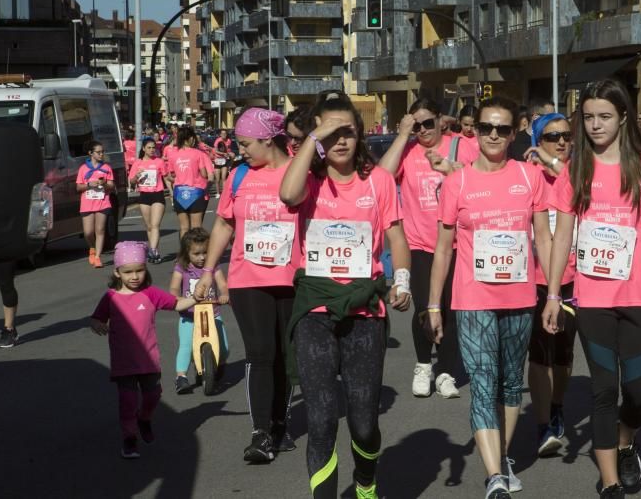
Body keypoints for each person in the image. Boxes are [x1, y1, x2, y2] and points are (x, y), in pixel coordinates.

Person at [541, 79, 641, 498]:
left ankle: (625, 440)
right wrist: (551, 294)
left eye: (604, 117)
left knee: (638, 392)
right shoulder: (576, 168)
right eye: (589, 117)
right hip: (592, 298)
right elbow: (563, 235)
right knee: (603, 389)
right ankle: (611, 480)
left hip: (638, 296)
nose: (595, 125)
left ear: (623, 118)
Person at [280, 93, 412, 499]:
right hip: (314, 309)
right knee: (320, 419)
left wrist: (402, 280)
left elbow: (396, 236)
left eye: (348, 132)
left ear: (360, 135)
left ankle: (366, 483)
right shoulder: (309, 179)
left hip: (364, 311)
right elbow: (287, 195)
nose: (340, 141)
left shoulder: (379, 181)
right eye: (330, 132)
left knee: (364, 422)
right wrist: (310, 141)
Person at [426, 95, 552, 499]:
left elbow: (544, 238)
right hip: (472, 298)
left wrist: (552, 292)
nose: (494, 135)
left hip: (520, 297)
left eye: (502, 128)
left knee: (510, 384)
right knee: (483, 381)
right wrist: (433, 305)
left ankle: (503, 454)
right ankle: (495, 474)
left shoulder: (530, 176)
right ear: (474, 132)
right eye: (486, 128)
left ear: (514, 133)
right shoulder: (456, 182)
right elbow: (443, 247)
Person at [194, 108, 302, 462]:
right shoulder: (239, 176)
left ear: (268, 139)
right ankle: (260, 434)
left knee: (286, 356)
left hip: (291, 278)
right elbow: (224, 224)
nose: (241, 150)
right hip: (247, 278)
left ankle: (279, 425)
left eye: (246, 143)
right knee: (259, 353)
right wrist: (209, 271)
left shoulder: (297, 172)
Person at [378, 97, 479, 398]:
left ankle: (445, 372)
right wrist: (401, 135)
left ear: (440, 119)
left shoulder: (462, 146)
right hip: (419, 244)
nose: (422, 130)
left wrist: (451, 168)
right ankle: (423, 365)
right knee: (424, 308)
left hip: (458, 244)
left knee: (449, 310)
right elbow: (382, 178)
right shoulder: (407, 152)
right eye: (416, 125)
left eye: (427, 123)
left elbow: (479, 182)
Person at [90, 242, 198, 459]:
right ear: (117, 272)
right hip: (124, 363)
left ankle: (145, 418)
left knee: (153, 395)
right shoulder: (111, 298)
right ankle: (129, 438)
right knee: (128, 402)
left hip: (148, 359)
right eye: (128, 272)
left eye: (139, 270)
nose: (134, 276)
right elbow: (96, 318)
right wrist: (97, 325)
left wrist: (196, 298)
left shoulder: (150, 293)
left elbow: (176, 304)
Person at [521, 112, 577, 458]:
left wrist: (552, 161)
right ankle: (543, 425)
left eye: (566, 136)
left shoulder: (576, 174)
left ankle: (557, 405)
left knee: (564, 356)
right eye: (551, 136)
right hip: (534, 279)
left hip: (574, 277)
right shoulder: (527, 175)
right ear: (537, 141)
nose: (560, 141)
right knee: (539, 353)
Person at [170, 227, 229, 394]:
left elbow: (223, 284)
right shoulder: (181, 268)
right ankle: (181, 377)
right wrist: (178, 298)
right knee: (186, 346)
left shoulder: (213, 267)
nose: (202, 257)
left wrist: (224, 294)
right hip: (189, 316)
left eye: (205, 252)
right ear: (186, 252)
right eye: (196, 254)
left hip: (212, 314)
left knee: (223, 347)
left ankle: (218, 364)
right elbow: (174, 288)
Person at [166, 126, 214, 239]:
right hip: (196, 192)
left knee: (184, 227)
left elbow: (170, 175)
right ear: (190, 138)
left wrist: (180, 180)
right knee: (196, 228)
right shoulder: (199, 154)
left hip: (179, 192)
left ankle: (184, 252)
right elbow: (205, 174)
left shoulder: (172, 154)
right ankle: (195, 253)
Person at [77, 140, 114, 268]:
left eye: (103, 152)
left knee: (100, 230)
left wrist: (104, 183)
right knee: (88, 232)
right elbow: (78, 187)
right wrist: (88, 185)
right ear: (90, 153)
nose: (101, 154)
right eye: (98, 152)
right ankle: (92, 247)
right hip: (87, 203)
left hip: (103, 202)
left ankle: (98, 257)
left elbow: (111, 185)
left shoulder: (106, 168)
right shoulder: (83, 169)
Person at [130, 138, 167, 264]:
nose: (152, 150)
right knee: (149, 226)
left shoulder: (159, 162)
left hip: (157, 194)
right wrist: (137, 175)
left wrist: (173, 193)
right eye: (149, 147)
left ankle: (153, 250)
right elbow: (132, 181)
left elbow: (166, 177)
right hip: (144, 195)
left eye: (153, 148)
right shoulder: (137, 163)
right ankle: (153, 251)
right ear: (143, 149)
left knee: (155, 225)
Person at [213, 129, 233, 199]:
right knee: (217, 179)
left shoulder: (228, 141)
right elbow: (215, 151)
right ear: (220, 134)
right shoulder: (218, 140)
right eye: (223, 133)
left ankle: (224, 193)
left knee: (224, 178)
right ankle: (218, 193)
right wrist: (223, 153)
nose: (224, 135)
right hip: (218, 160)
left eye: (225, 133)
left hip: (224, 161)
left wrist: (229, 154)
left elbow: (229, 149)